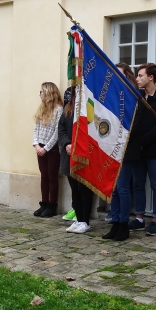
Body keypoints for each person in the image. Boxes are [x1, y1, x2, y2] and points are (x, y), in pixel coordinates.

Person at [127, 63, 156, 235]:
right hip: (137, 149)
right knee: (138, 184)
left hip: (154, 149)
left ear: (151, 77)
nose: (137, 79)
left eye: (140, 75)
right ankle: (139, 217)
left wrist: (142, 141)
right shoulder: (137, 96)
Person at [102, 65, 146, 241]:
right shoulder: (113, 96)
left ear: (127, 76)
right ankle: (115, 223)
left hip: (127, 148)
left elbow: (136, 124)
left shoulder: (135, 97)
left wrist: (120, 135)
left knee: (122, 187)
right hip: (113, 147)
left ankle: (123, 225)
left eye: (119, 73)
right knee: (114, 190)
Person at [58, 84, 94, 233]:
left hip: (84, 154)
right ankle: (78, 219)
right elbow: (61, 128)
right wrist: (67, 143)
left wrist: (77, 145)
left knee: (84, 189)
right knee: (74, 189)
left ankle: (85, 221)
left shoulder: (89, 108)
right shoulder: (68, 108)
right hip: (69, 154)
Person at [32, 82, 63, 218]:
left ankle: (52, 205)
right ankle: (43, 203)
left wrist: (46, 148)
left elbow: (57, 132)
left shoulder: (58, 109)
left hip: (52, 149)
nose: (40, 94)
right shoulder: (42, 108)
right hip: (40, 146)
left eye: (41, 91)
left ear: (48, 93)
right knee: (43, 176)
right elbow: (36, 128)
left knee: (52, 177)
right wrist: (36, 145)